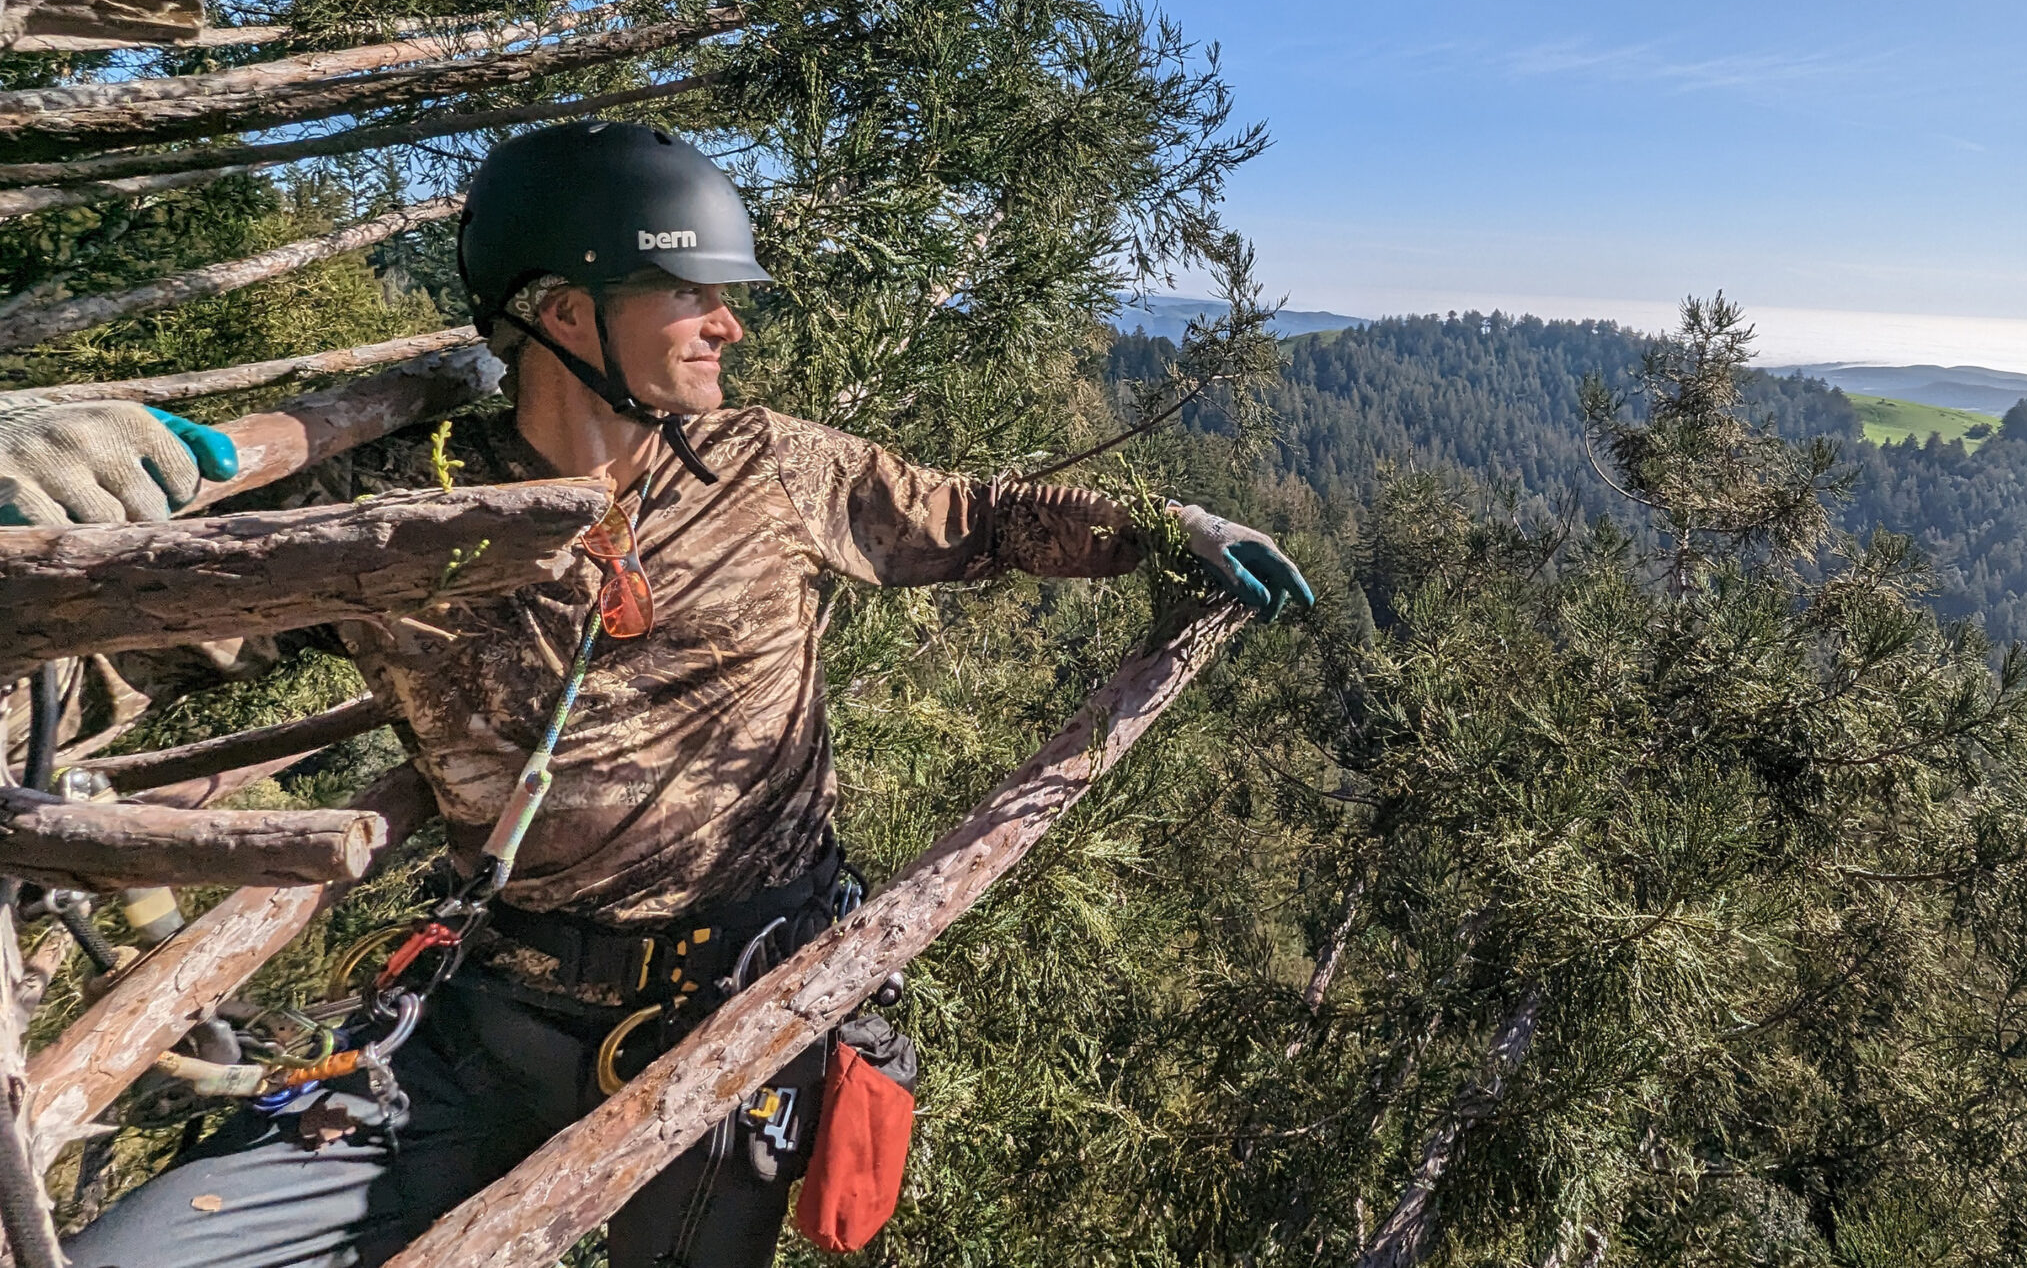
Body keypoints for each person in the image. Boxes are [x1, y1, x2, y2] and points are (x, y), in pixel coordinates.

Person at [0, 120, 1310, 1268]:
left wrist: (1162, 523)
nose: (729, 322)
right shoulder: (386, 512)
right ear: (566, 313)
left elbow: (979, 516)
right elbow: (109, 659)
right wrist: (72, 514)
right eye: (691, 292)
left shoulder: (768, 467)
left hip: (735, 1012)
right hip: (482, 1017)